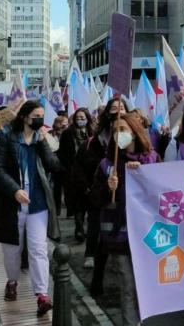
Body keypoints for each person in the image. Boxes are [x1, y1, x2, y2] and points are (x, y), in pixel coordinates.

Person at [0, 100, 62, 316]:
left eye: (42, 116)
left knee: (39, 249)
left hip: (37, 203)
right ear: (25, 117)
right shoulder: (8, 137)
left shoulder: (40, 140)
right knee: (12, 249)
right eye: (36, 115)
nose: (39, 119)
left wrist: (46, 142)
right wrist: (15, 190)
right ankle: (12, 281)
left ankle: (42, 295)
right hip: (12, 203)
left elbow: (54, 166)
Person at [90, 112, 159, 326]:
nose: (118, 134)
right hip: (118, 233)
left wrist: (144, 174)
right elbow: (94, 199)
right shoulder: (106, 165)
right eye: (114, 131)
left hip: (146, 233)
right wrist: (107, 189)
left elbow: (163, 192)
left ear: (134, 132)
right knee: (127, 284)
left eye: (123, 130)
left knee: (143, 285)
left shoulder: (152, 159)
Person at [75, 98, 127, 279]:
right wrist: (90, 188)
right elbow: (81, 166)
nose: (118, 111)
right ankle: (93, 259)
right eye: (114, 108)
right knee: (97, 227)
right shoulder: (94, 140)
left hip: (121, 194)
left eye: (121, 107)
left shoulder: (130, 134)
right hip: (99, 189)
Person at [58, 108, 94, 241]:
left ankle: (90, 229)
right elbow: (62, 153)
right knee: (78, 204)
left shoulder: (92, 132)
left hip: (89, 172)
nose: (80, 120)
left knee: (90, 202)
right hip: (73, 173)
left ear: (87, 118)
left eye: (83, 117)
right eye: (78, 118)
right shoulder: (68, 133)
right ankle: (79, 229)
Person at [46, 116, 70, 215]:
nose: (65, 125)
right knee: (56, 188)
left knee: (68, 188)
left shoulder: (68, 133)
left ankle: (70, 210)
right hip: (55, 164)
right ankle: (57, 209)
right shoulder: (51, 133)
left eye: (66, 123)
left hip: (65, 163)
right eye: (63, 123)